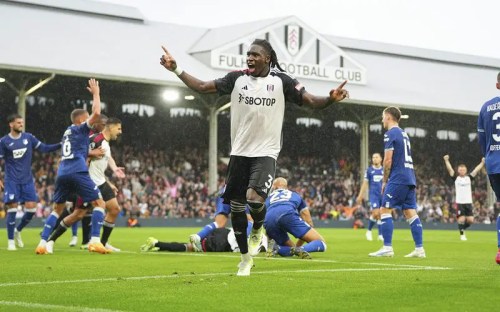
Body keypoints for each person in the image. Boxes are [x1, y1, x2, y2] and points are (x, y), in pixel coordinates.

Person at [159, 39, 349, 276]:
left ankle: (258, 227)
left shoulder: (282, 81)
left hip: (266, 152)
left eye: (255, 55)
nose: (249, 58)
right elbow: (201, 86)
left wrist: (330, 98)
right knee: (238, 208)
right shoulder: (236, 78)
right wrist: (176, 68)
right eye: (248, 54)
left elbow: (310, 101)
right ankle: (245, 258)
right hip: (239, 153)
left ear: (267, 58)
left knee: (255, 198)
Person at [35, 78, 107, 255]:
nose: (91, 121)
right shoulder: (80, 128)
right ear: (82, 120)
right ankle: (95, 241)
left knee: (57, 210)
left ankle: (43, 242)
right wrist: (96, 93)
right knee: (99, 203)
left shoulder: (67, 132)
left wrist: (89, 154)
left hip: (63, 172)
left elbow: (76, 149)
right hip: (77, 170)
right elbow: (96, 112)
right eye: (87, 119)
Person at [44, 117, 124, 253]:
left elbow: (102, 163)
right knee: (78, 214)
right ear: (110, 127)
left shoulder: (105, 143)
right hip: (88, 182)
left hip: (101, 182)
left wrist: (110, 180)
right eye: (119, 128)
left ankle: (102, 243)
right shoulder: (95, 140)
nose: (120, 132)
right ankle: (50, 240)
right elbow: (82, 156)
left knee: (114, 209)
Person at [369, 106, 425, 258]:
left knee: (384, 210)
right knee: (410, 212)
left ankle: (387, 248)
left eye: (382, 117)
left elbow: (387, 160)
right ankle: (420, 249)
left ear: (388, 117)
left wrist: (384, 181)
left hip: (398, 177)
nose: (382, 120)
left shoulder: (390, 133)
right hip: (410, 177)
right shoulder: (404, 134)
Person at [0, 114, 61, 250]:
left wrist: (60, 144)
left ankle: (18, 230)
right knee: (12, 208)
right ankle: (10, 242)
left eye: (22, 122)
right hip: (12, 180)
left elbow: (44, 148)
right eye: (18, 122)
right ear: (11, 124)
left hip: (27, 180)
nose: (21, 124)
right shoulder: (4, 142)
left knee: (32, 208)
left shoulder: (28, 137)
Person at [264, 177, 327, 259]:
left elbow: (263, 220)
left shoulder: (267, 199)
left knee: (291, 249)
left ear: (273, 187)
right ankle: (300, 249)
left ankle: (277, 248)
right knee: (321, 243)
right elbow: (308, 221)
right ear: (286, 187)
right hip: (287, 213)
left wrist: (270, 237)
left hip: (268, 220)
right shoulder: (294, 195)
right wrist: (299, 246)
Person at [477, 71, 500, 264]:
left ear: (497, 85)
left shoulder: (486, 107)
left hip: (494, 164)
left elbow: (482, 139)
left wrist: (489, 156)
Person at [141, 222, 259, 253]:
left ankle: (157, 244)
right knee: (189, 247)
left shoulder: (253, 228)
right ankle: (156, 243)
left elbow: (248, 225)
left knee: (187, 247)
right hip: (221, 243)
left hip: (222, 233)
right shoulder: (260, 242)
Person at [443, 155, 485, 240]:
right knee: (461, 218)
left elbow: (476, 170)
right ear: (458, 170)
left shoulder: (469, 178)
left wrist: (482, 163)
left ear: (466, 170)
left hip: (468, 202)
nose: (462, 171)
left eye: (463, 169)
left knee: (470, 220)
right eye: (460, 169)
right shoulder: (456, 178)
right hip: (460, 202)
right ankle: (462, 235)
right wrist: (446, 161)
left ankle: (462, 228)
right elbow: (450, 169)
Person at [356, 152, 384, 241]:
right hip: (373, 195)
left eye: (376, 157)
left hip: (382, 195)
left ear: (381, 159)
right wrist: (360, 196)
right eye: (373, 157)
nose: (374, 159)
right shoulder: (369, 170)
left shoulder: (384, 170)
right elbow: (365, 183)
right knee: (376, 213)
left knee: (380, 214)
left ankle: (380, 234)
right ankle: (369, 231)